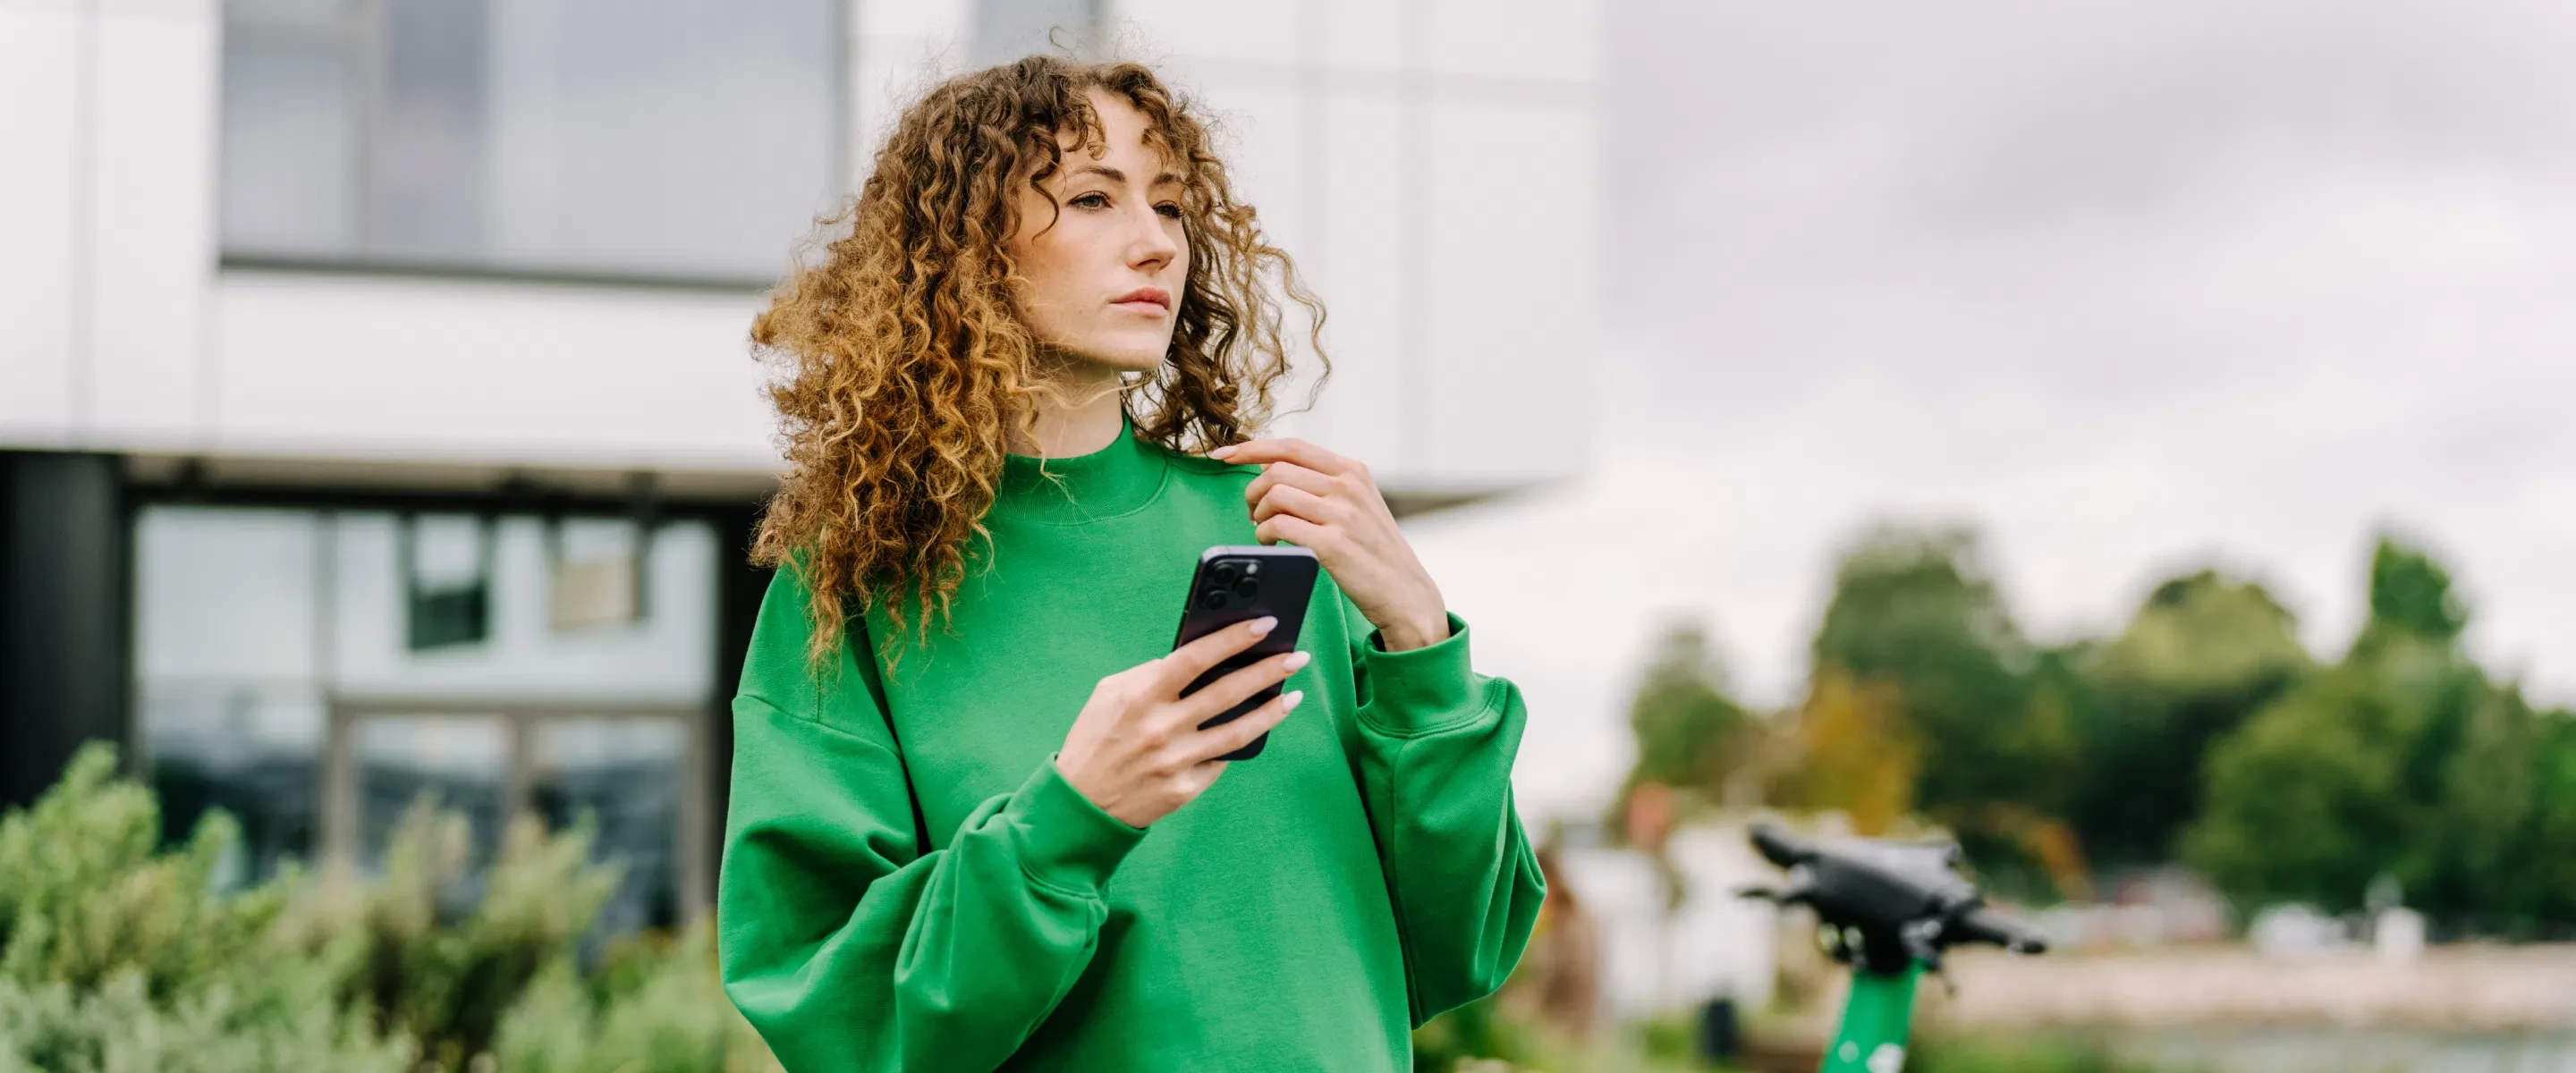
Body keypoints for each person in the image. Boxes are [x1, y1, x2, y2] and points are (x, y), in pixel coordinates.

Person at [717, 55, 1544, 1071]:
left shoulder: (1272, 528)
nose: (1154, 242)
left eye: (1170, 205)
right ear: (966, 243)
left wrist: (1421, 643)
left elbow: (1464, 945)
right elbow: (841, 1022)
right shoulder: (850, 591)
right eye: (1092, 198)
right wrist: (1073, 818)